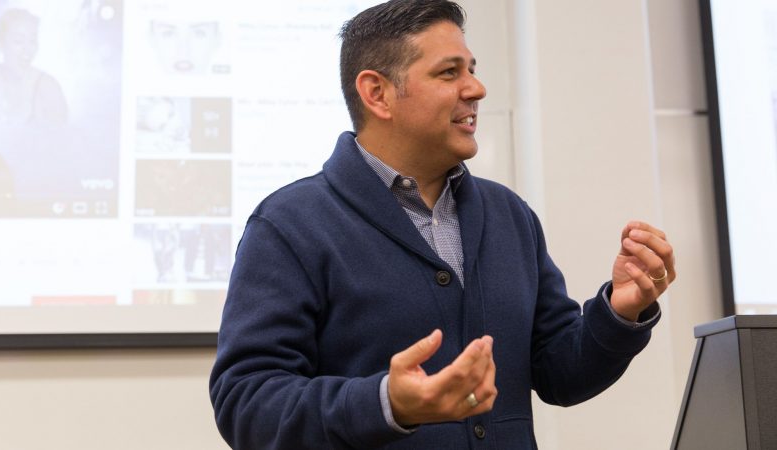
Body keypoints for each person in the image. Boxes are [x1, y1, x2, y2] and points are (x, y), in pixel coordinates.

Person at [209, 1, 676, 449]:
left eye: (471, 69)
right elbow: (247, 403)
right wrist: (386, 404)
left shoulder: (510, 215)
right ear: (378, 93)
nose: (476, 88)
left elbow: (559, 373)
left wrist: (620, 310)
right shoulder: (290, 224)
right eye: (449, 72)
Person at [0, 8, 68, 127]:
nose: (27, 49)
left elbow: (63, 138)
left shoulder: (47, 88)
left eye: (32, 41)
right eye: (18, 41)